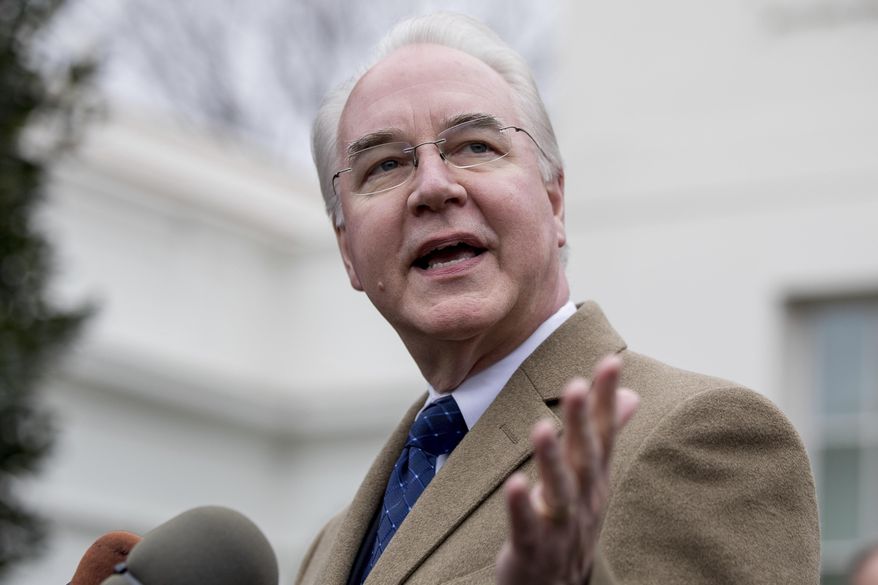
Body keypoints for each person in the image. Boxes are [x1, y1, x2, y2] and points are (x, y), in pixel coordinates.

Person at [296, 12, 819, 585]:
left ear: (554, 201)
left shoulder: (702, 437)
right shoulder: (329, 549)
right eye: (386, 165)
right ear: (347, 250)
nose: (433, 187)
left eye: (475, 145)